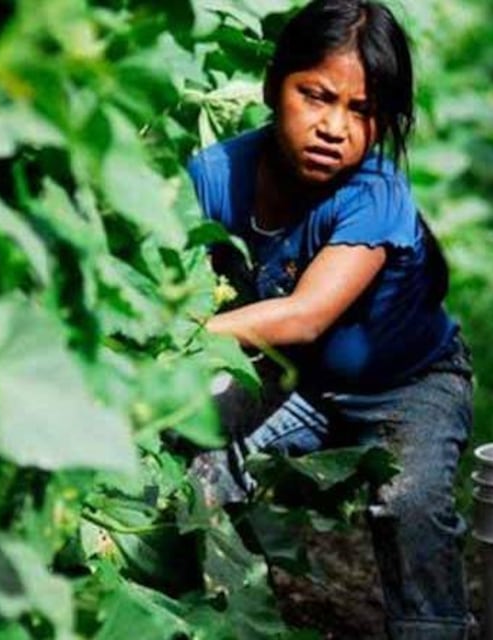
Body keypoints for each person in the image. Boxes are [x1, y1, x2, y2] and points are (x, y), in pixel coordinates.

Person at [185, 1, 475, 638]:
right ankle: (217, 614)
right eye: (315, 96)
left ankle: (432, 629)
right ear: (272, 87)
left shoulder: (375, 193)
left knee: (412, 501)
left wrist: (176, 338)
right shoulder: (215, 176)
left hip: (410, 384)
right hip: (292, 381)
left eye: (362, 112)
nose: (334, 128)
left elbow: (305, 315)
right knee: (198, 461)